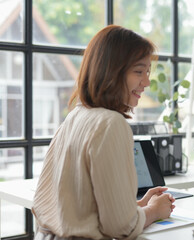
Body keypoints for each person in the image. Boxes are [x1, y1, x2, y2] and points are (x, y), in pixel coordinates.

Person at [32, 25, 175, 239]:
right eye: (139, 72)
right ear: (111, 71)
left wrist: (135, 206)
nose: (146, 82)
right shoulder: (111, 123)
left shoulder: (75, 116)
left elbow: (71, 207)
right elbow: (121, 227)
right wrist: (154, 211)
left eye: (147, 72)